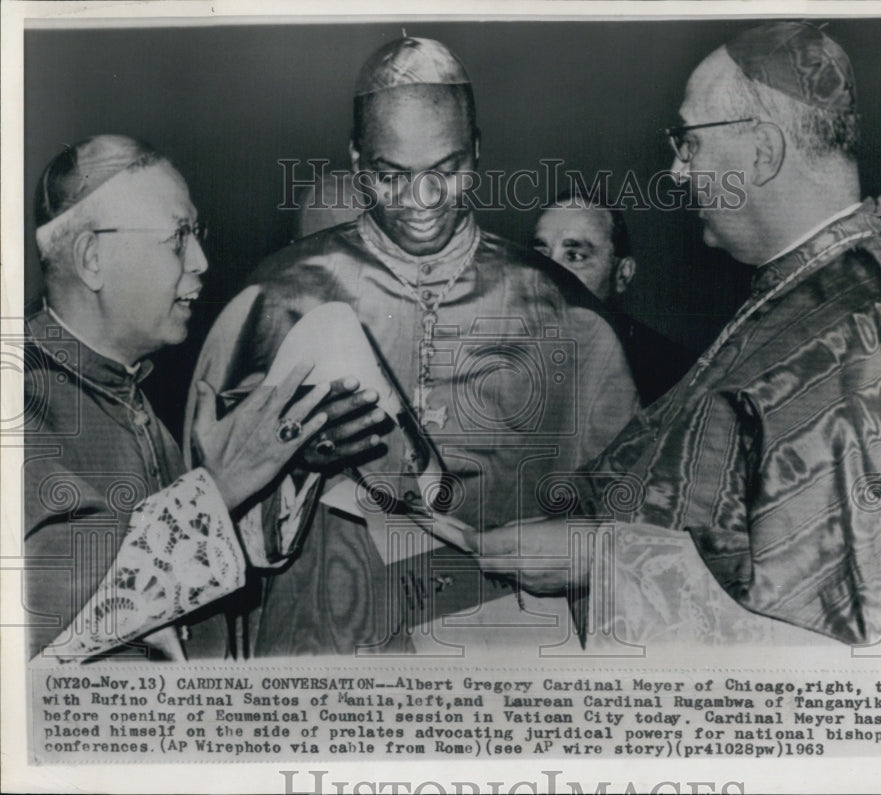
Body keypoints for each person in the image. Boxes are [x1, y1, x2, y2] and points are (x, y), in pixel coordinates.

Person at [468, 21, 881, 647]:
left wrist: (600, 557)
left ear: (761, 153)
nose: (677, 173)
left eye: (689, 144)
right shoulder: (800, 284)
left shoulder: (862, 328)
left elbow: (835, 624)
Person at [188, 36, 639, 656]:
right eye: (390, 175)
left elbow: (630, 516)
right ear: (355, 159)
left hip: (502, 660)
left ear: (477, 151)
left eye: (445, 171)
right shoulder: (274, 299)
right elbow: (196, 518)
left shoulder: (562, 310)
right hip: (324, 651)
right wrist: (292, 466)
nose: (421, 203)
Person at [23, 135, 384, 661]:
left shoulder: (126, 392)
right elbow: (45, 618)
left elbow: (191, 564)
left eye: (197, 233)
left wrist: (288, 462)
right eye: (177, 237)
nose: (201, 260)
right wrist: (218, 485)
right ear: (91, 257)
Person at [532, 192, 695, 404]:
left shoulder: (671, 372)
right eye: (540, 255)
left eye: (575, 256)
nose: (550, 272)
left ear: (622, 273)